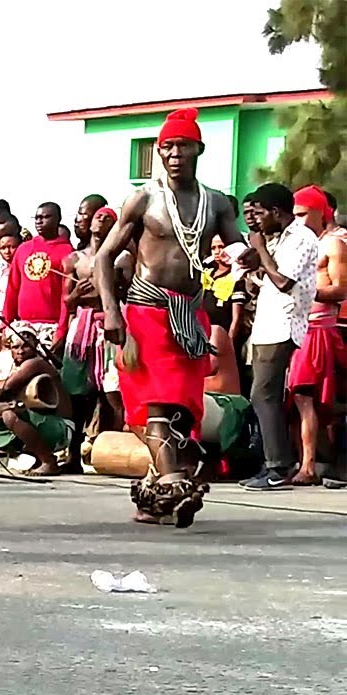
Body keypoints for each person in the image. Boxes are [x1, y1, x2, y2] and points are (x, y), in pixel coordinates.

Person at [94, 108, 244, 525]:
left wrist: (254, 262)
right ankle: (176, 486)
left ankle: (153, 497)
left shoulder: (215, 202)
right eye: (168, 147)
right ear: (160, 152)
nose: (175, 153)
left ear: (200, 149)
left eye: (184, 146)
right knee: (155, 410)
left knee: (180, 413)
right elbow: (105, 257)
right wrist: (112, 314)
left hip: (188, 317)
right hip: (145, 315)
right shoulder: (143, 198)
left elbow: (236, 248)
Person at [234, 183, 321, 491]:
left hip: (283, 325)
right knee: (262, 394)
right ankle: (271, 463)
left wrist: (260, 250)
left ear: (276, 211)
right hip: (267, 324)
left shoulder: (301, 238)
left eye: (259, 213)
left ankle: (278, 467)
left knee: (264, 394)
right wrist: (254, 262)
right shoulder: (279, 239)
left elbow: (284, 281)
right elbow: (269, 275)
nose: (255, 220)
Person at [284, 186, 346, 487]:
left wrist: (305, 292)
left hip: (319, 328)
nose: (297, 221)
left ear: (321, 212)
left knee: (307, 397)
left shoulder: (333, 244)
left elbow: (341, 289)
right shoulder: (295, 244)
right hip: (294, 327)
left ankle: (309, 466)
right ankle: (308, 461)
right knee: (296, 400)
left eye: (302, 214)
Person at [59, 207, 124, 461]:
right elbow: (67, 300)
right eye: (98, 216)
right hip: (82, 332)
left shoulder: (123, 259)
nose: (101, 220)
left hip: (109, 327)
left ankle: (113, 451)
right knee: (77, 392)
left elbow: (124, 293)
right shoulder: (74, 259)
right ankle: (73, 452)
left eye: (108, 218)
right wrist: (77, 295)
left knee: (112, 391)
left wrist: (104, 291)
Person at [0, 330, 72, 476]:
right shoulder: (19, 368)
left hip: (61, 427)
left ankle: (48, 461)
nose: (20, 351)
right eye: (15, 347)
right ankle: (35, 457)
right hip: (44, 421)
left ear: (35, 346)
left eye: (25, 346)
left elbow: (6, 387)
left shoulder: (36, 363)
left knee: (9, 416)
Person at [2, 202, 73, 351]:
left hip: (51, 326)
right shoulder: (24, 249)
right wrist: (5, 322)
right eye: (37, 217)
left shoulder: (67, 252)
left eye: (46, 217)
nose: (40, 221)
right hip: (23, 325)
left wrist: (61, 330)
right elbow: (13, 288)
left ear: (58, 219)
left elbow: (67, 296)